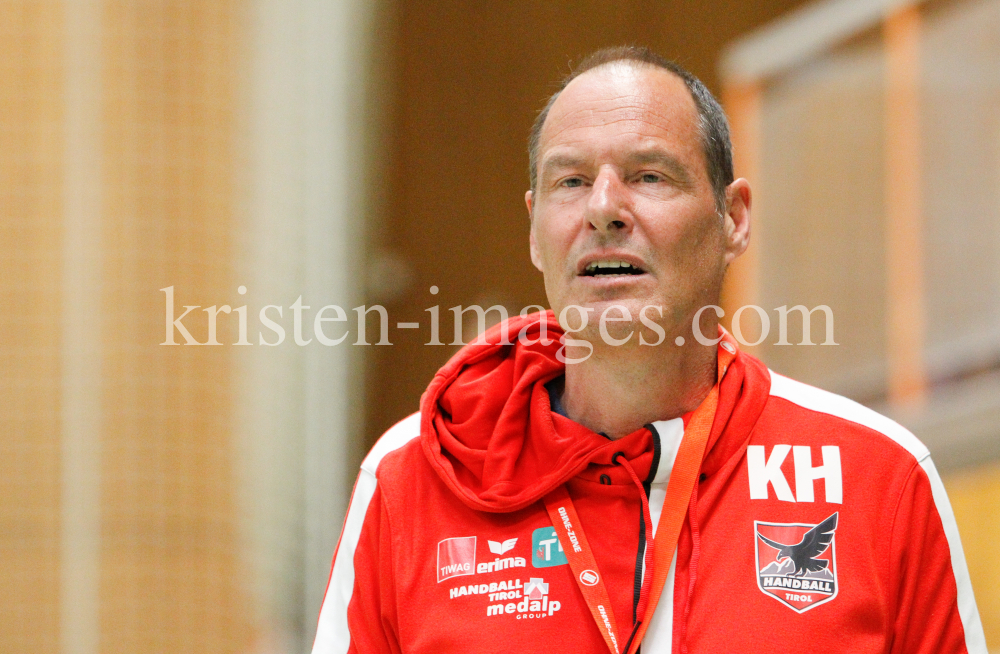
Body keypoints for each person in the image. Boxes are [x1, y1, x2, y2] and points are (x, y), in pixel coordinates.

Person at [311, 46, 987, 653]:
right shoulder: (412, 478)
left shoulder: (881, 477)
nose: (603, 208)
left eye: (649, 176)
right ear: (534, 232)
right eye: (570, 181)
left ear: (733, 220)